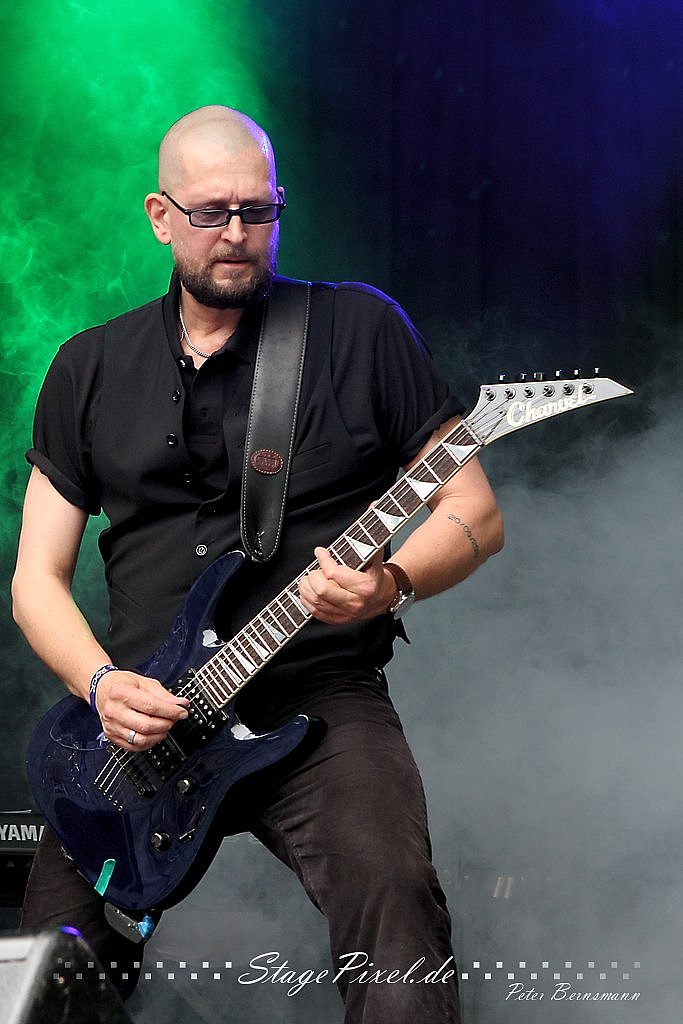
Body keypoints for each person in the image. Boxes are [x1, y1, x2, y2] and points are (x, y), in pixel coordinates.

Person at [12, 105, 503, 1023]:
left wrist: (390, 583)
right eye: (210, 213)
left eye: (258, 210)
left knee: (396, 907)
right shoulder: (88, 367)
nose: (237, 233)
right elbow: (35, 579)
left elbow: (472, 511)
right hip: (137, 729)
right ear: (160, 216)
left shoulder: (359, 330)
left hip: (315, 697)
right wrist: (101, 685)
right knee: (44, 970)